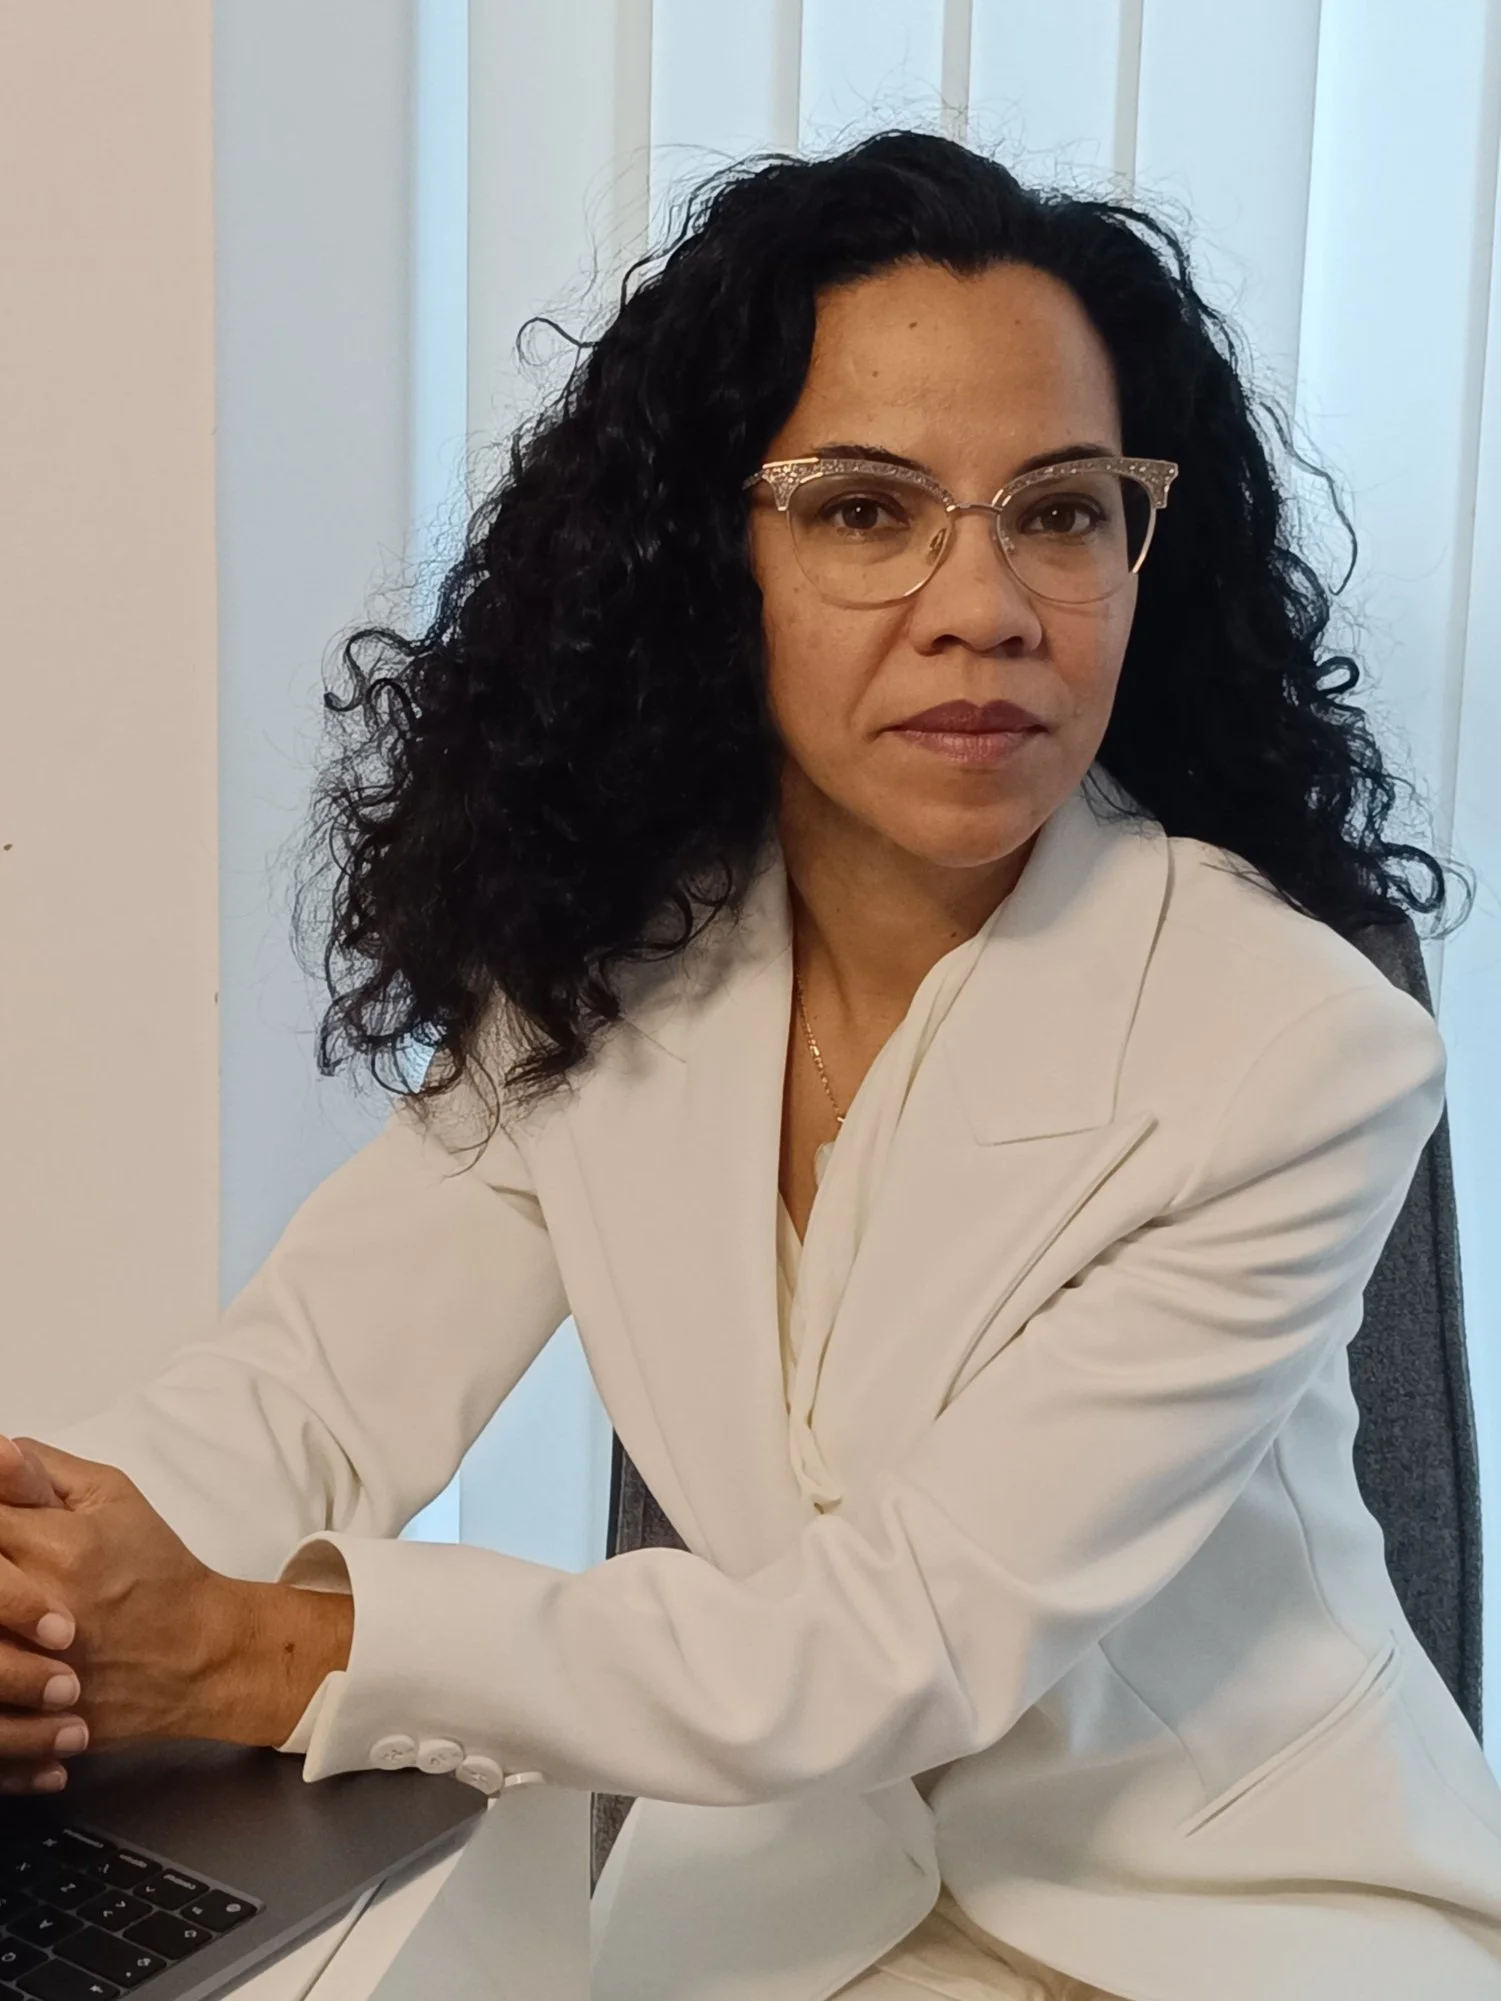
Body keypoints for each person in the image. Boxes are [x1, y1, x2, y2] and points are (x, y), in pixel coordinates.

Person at [2, 128, 1498, 2000]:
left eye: (1062, 506)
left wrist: (237, 1646)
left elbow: (900, 1643)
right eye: (868, 508)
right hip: (788, 1912)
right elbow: (310, 1385)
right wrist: (45, 1588)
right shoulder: (617, 963)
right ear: (715, 556)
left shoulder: (1299, 1050)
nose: (989, 605)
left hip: (1234, 1923)